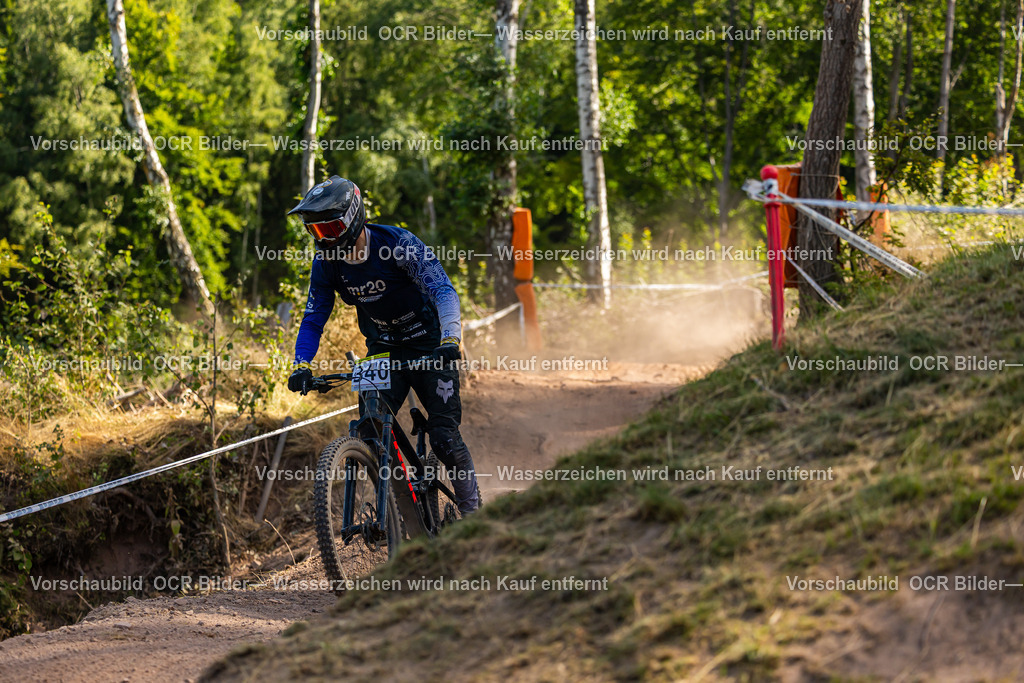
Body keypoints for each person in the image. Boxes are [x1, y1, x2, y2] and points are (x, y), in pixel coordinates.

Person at [286, 175, 481, 514]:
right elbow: (314, 316)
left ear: (352, 219)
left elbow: (443, 290)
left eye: (330, 229)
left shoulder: (398, 245)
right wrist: (301, 364)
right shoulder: (326, 263)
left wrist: (451, 338)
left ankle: (473, 513)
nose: (324, 239)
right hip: (382, 349)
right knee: (370, 433)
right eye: (316, 231)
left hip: (430, 345)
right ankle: (401, 516)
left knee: (444, 438)